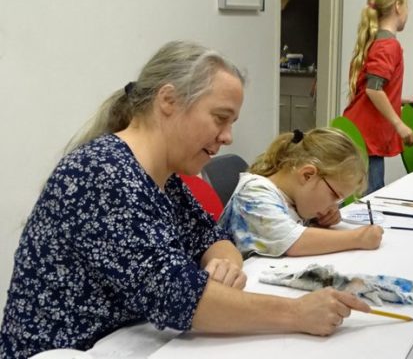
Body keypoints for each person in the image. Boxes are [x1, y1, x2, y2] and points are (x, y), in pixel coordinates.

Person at [0, 41, 370, 359]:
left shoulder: (164, 175)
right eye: (220, 119)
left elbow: (214, 239)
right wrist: (297, 313)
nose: (227, 137)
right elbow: (179, 299)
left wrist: (222, 260)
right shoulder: (103, 174)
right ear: (168, 100)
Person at [219, 128, 384, 258]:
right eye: (334, 195)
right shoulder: (254, 194)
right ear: (308, 175)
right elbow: (292, 241)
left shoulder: (295, 197)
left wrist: (319, 219)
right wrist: (357, 238)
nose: (333, 205)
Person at [343, 0, 413, 195]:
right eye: (407, 7)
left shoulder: (375, 41)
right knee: (371, 195)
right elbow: (373, 90)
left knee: (368, 191)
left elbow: (373, 87)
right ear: (397, 6)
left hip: (362, 130)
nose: (407, 13)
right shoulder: (388, 45)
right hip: (368, 135)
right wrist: (399, 124)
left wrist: (398, 100)